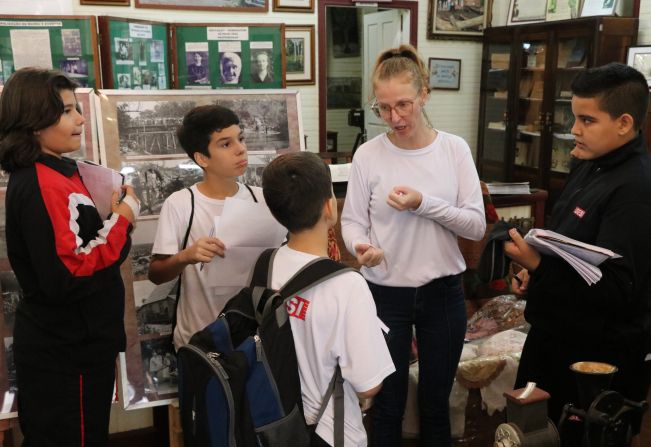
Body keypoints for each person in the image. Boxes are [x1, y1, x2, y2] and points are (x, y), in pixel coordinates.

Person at [341, 44, 486, 446]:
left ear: (424, 94)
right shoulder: (369, 155)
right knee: (388, 403)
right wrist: (361, 246)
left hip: (442, 293)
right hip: (384, 293)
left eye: (403, 104)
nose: (394, 117)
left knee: (436, 402)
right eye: (383, 108)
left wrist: (425, 204)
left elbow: (475, 226)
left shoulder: (453, 149)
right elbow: (352, 219)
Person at [505, 62, 651, 429]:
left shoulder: (636, 189)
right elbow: (567, 246)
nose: (574, 131)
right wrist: (532, 273)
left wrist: (540, 267)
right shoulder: (590, 164)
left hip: (594, 360)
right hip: (553, 337)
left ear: (624, 123)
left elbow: (618, 290)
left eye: (587, 120)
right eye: (575, 118)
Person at [0, 67, 139, 446]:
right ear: (33, 121)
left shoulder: (56, 171)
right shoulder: (42, 180)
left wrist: (111, 216)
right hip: (66, 350)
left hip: (78, 343)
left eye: (77, 108)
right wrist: (123, 220)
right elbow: (71, 272)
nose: (80, 119)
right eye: (66, 111)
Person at [262, 151, 395, 447]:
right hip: (329, 435)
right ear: (329, 206)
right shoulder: (347, 286)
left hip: (275, 427)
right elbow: (369, 386)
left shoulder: (266, 264)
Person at [148, 104, 268, 349]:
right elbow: (156, 274)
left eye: (241, 138)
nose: (241, 149)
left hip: (254, 339)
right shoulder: (181, 204)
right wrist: (185, 257)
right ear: (202, 158)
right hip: (199, 340)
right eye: (226, 144)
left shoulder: (263, 198)